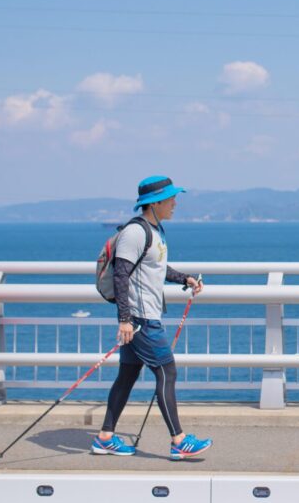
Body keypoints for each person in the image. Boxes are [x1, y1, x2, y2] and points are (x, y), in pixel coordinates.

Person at [92, 175, 213, 460]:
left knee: (127, 375)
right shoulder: (135, 233)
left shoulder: (155, 231)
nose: (175, 204)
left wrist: (185, 278)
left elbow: (156, 269)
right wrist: (125, 319)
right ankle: (179, 441)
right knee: (166, 371)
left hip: (140, 317)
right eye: (171, 199)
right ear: (155, 203)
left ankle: (105, 438)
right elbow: (121, 275)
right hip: (141, 319)